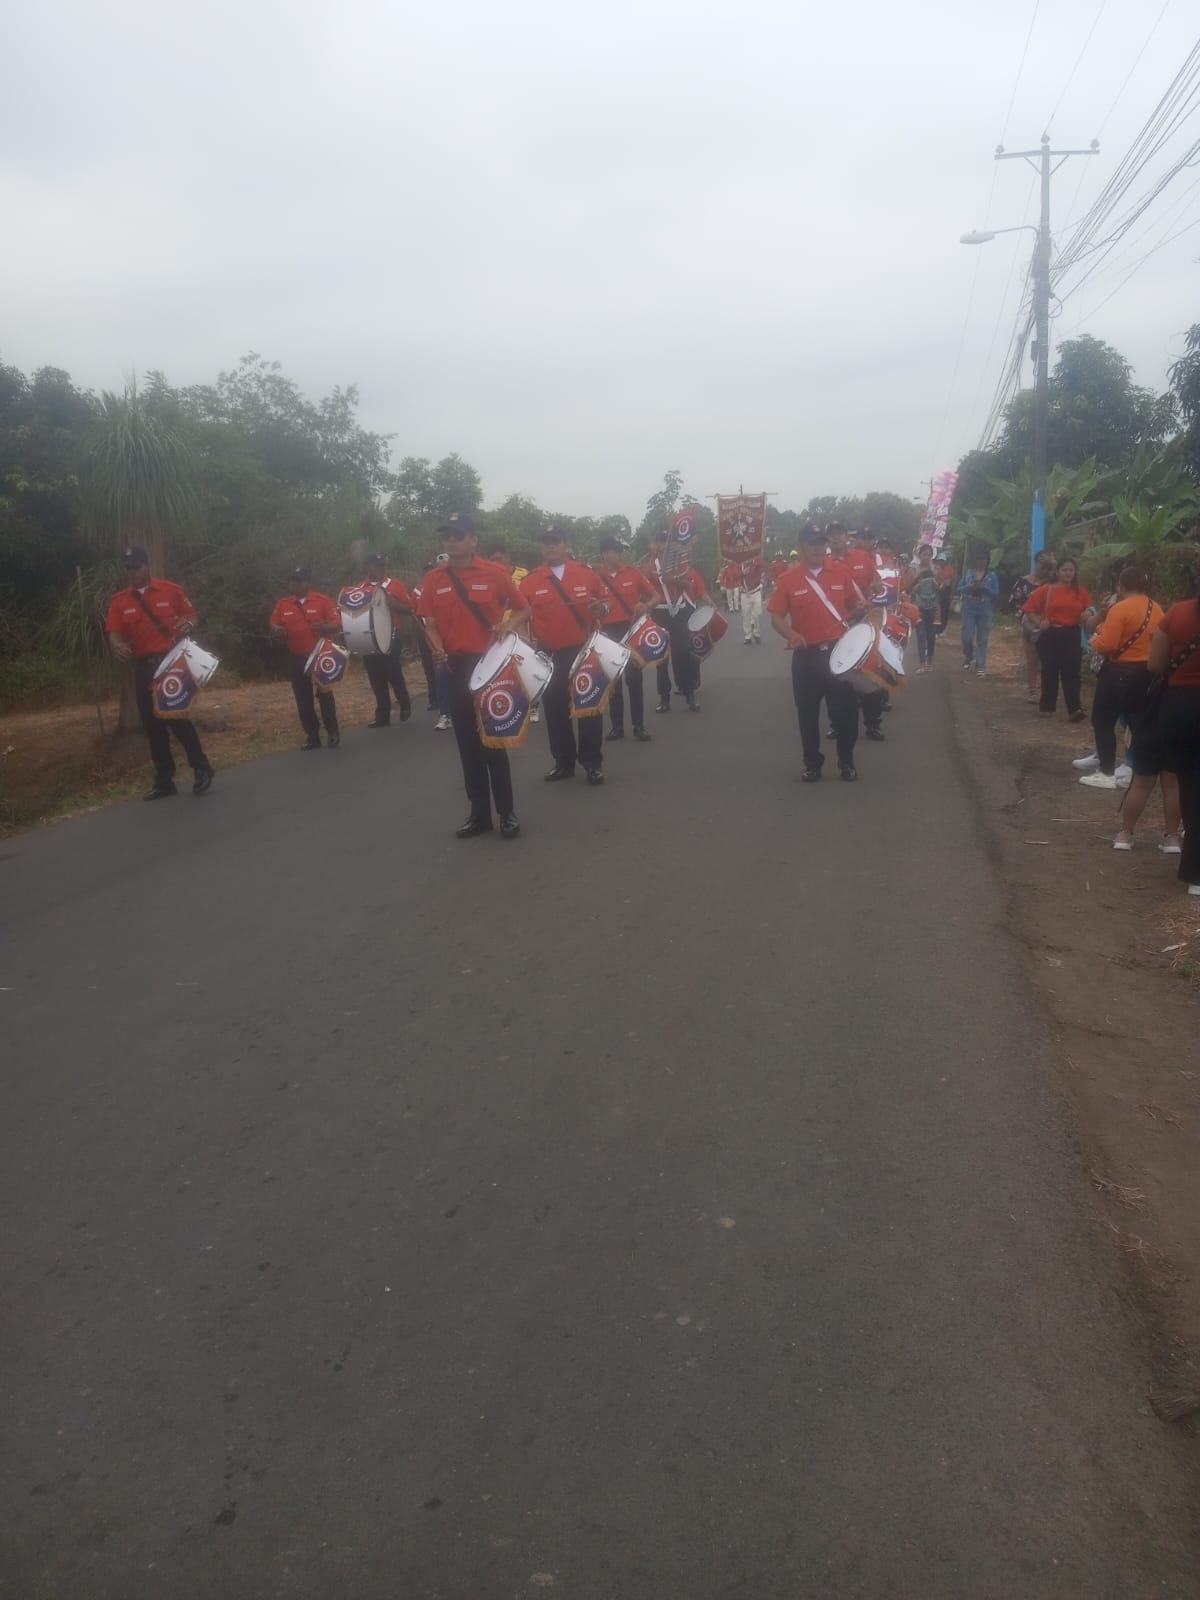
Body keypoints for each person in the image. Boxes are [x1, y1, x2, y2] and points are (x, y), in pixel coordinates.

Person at [417, 513, 528, 838]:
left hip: (489, 666)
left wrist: (507, 626)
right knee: (467, 744)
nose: (452, 541)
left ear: (473, 540)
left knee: (493, 740)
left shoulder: (494, 573)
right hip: (455, 667)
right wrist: (437, 647)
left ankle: (506, 812)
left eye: (459, 535)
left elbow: (524, 608)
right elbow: (429, 624)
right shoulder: (434, 579)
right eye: (447, 536)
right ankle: (479, 814)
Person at [105, 545, 215, 801]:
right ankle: (165, 780)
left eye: (137, 567)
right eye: (128, 569)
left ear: (147, 566)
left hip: (171, 663)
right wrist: (116, 645)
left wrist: (188, 623)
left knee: (177, 718)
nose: (133, 573)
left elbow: (191, 616)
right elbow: (114, 632)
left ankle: (201, 768)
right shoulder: (120, 600)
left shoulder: (171, 590)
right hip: (144, 667)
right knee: (152, 725)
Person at [767, 524, 864, 783]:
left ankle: (847, 761)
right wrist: (791, 634)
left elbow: (855, 605)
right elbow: (776, 617)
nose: (818, 548)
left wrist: (861, 608)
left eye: (822, 543)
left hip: (839, 655)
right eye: (812, 543)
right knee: (807, 714)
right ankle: (812, 763)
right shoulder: (787, 580)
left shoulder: (841, 574)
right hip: (807, 658)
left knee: (846, 712)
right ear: (801, 546)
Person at [520, 526, 610, 783]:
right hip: (547, 655)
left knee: (588, 705)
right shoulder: (530, 581)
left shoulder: (586, 574)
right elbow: (519, 613)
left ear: (565, 544)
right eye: (545, 542)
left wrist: (601, 608)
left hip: (582, 651)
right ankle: (563, 762)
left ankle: (592, 762)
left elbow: (606, 605)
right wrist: (523, 639)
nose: (550, 546)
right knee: (555, 709)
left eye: (555, 541)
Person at [1078, 567, 1162, 790]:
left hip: (1119, 672)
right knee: (1136, 723)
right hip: (1145, 672)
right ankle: (1136, 769)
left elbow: (1107, 645)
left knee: (1103, 721)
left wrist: (1094, 639)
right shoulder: (1156, 608)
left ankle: (1106, 771)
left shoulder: (1120, 608)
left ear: (1122, 585)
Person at [1147, 578, 1200, 894]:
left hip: (1178, 708)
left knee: (1188, 782)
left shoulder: (1176, 613)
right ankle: (1196, 870)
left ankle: (1194, 866)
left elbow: (1155, 664)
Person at [269, 568, 342, 749]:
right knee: (303, 698)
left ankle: (333, 732)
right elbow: (273, 624)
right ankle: (313, 736)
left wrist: (323, 627)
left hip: (320, 655)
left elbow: (337, 624)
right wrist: (277, 630)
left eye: (298, 581)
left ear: (307, 583)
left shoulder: (323, 601)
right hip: (296, 656)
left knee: (325, 695)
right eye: (292, 581)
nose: (294, 584)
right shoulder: (283, 604)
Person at [594, 534, 656, 742]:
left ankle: (639, 725)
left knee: (634, 679)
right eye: (615, 551)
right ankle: (617, 726)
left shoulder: (633, 573)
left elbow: (656, 596)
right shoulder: (595, 578)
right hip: (608, 633)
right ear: (604, 554)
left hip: (631, 631)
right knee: (614, 681)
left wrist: (646, 605)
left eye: (621, 551)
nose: (620, 554)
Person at [1023, 557, 1093, 720]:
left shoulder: (1080, 591)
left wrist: (1088, 612)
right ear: (1057, 572)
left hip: (1072, 634)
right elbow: (1029, 608)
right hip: (1050, 634)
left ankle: (1075, 709)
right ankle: (1047, 706)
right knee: (1050, 670)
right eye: (1065, 570)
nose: (1068, 573)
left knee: (1072, 672)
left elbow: (1090, 607)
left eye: (1071, 570)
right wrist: (1039, 622)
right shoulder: (1046, 590)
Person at [358, 554, 413, 728]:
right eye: (376, 566)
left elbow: (410, 608)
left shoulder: (396, 585)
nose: (380, 569)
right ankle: (382, 715)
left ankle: (404, 703)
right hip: (370, 638)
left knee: (393, 672)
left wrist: (394, 604)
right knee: (375, 678)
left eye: (382, 566)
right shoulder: (360, 588)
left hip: (392, 635)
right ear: (368, 567)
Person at [1009, 552, 1056, 701]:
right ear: (1035, 563)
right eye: (1042, 565)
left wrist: (1053, 563)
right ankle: (1033, 691)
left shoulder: (1053, 584)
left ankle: (1045, 690)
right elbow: (1014, 602)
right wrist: (1024, 617)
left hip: (1050, 625)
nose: (1044, 569)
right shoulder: (1023, 582)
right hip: (1030, 625)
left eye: (1047, 566)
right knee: (1032, 658)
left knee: (1047, 659)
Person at [957, 551, 1000, 674]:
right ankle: (969, 655)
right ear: (975, 560)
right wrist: (970, 587)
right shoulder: (969, 573)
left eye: (984, 558)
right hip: (969, 606)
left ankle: (980, 664)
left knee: (983, 637)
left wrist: (984, 588)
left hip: (984, 607)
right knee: (967, 635)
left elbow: (996, 594)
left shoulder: (992, 576)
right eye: (979, 558)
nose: (981, 561)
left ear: (987, 560)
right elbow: (959, 589)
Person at [907, 544, 940, 672]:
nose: (926, 557)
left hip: (933, 606)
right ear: (919, 555)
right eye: (924, 554)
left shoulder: (935, 569)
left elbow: (940, 587)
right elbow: (908, 588)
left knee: (931, 636)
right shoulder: (913, 569)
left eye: (929, 554)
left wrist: (936, 583)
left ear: (932, 556)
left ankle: (930, 661)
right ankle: (922, 663)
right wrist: (917, 581)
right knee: (921, 634)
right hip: (918, 606)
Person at [739, 554, 765, 643]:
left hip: (756, 591)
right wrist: (742, 573)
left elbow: (762, 569)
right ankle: (748, 636)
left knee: (757, 613)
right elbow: (735, 576)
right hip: (745, 593)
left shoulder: (757, 561)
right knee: (745, 615)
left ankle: (756, 633)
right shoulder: (740, 565)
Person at [935, 553, 956, 632]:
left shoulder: (950, 569)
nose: (941, 562)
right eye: (940, 560)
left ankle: (942, 628)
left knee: (945, 610)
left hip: (946, 590)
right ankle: (936, 628)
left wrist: (952, 593)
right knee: (937, 609)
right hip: (937, 590)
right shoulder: (936, 568)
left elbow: (953, 581)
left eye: (943, 561)